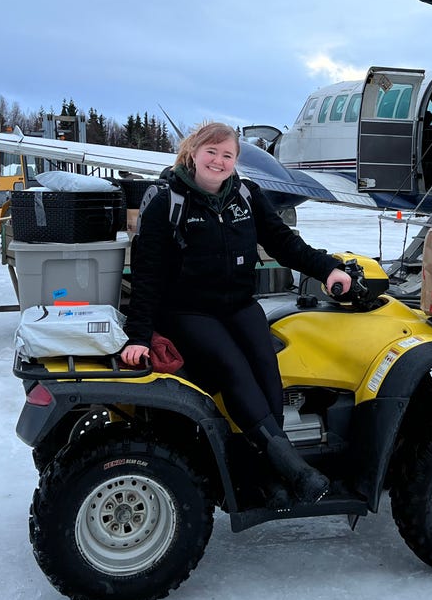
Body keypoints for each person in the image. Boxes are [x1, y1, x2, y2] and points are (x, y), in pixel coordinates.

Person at [121, 121, 351, 503]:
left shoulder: (246, 194)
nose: (218, 160)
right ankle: (292, 468)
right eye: (211, 152)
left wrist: (327, 268)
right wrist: (139, 335)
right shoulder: (167, 200)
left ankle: (268, 470)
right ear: (193, 153)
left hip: (240, 306)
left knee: (266, 370)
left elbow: (283, 242)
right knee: (233, 367)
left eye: (227, 154)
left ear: (235, 160)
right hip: (188, 311)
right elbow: (147, 273)